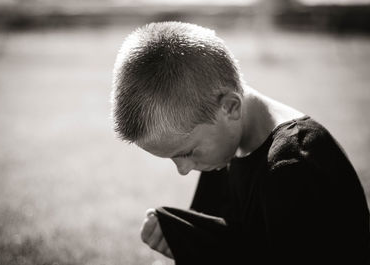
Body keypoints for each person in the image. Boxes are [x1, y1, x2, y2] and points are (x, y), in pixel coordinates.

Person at [111, 22, 370, 264]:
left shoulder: (292, 167)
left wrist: (196, 246)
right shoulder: (226, 147)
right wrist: (183, 237)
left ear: (230, 108)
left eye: (186, 153)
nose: (183, 169)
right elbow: (237, 237)